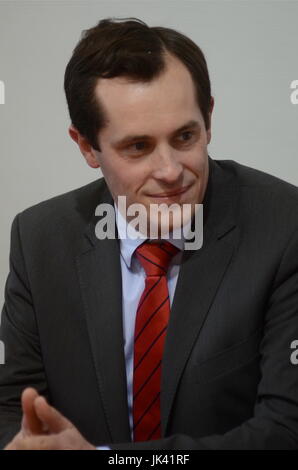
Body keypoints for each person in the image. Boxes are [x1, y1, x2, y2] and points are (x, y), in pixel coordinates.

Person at [1, 17, 298, 451]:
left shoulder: (284, 226)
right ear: (86, 146)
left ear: (208, 119)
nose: (170, 171)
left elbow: (286, 429)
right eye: (138, 147)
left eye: (185, 136)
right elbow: (10, 406)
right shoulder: (40, 238)